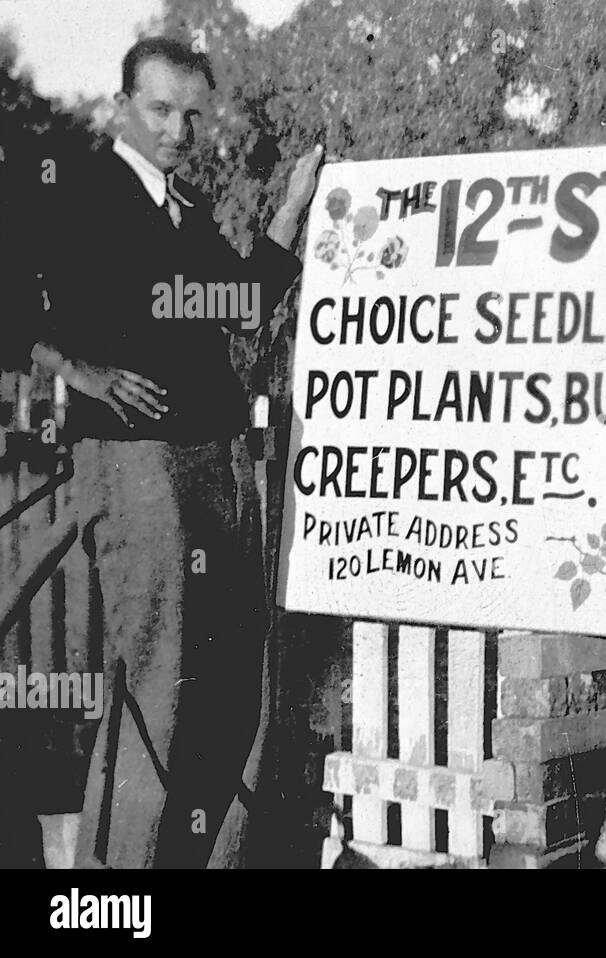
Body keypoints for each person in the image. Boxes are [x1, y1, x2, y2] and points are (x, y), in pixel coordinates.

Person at [21, 35, 324, 868]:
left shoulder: (182, 211)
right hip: (137, 461)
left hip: (216, 457)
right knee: (158, 686)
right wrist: (78, 370)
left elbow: (240, 303)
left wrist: (293, 207)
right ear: (123, 106)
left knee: (227, 691)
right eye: (159, 110)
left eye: (191, 116)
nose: (177, 131)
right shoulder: (78, 189)